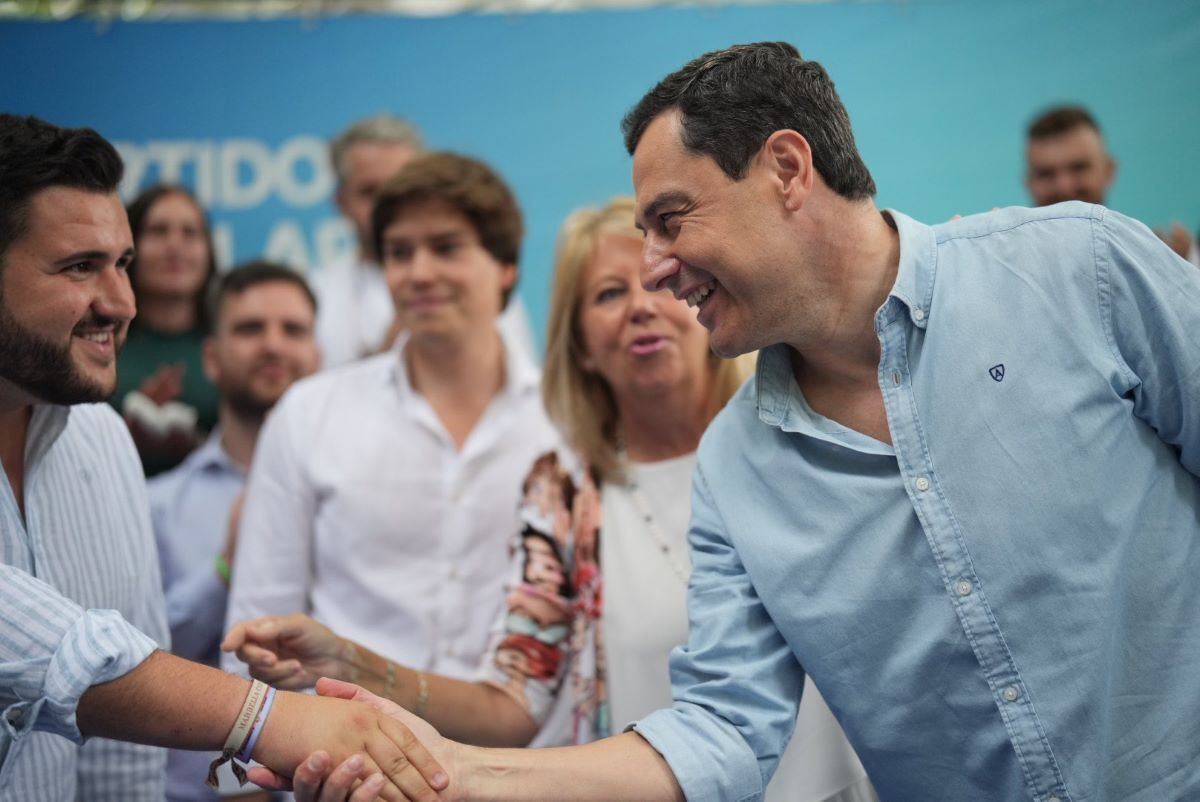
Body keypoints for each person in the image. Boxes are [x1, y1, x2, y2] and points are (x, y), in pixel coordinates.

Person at [273, 41, 1200, 802]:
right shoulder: (737, 467)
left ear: (787, 169)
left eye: (671, 220)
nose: (655, 269)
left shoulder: (1081, 271)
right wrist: (464, 773)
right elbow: (724, 729)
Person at [225, 198, 876, 801]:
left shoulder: (811, 440)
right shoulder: (564, 495)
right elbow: (514, 703)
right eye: (609, 294)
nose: (641, 306)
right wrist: (351, 662)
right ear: (581, 345)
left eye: (665, 283)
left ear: (709, 299)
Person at [0, 113, 452, 801]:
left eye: (122, 265)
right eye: (79, 267)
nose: (121, 304)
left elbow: (120, 752)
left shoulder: (100, 439)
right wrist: (275, 720)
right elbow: (48, 649)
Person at [221, 153, 560, 698]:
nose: (419, 273)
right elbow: (259, 624)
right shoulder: (310, 413)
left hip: (529, 769)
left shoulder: (566, 418)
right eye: (399, 253)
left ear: (506, 266)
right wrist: (251, 782)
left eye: (446, 248)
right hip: (346, 766)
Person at [149, 260, 321, 801]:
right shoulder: (158, 505)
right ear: (212, 357)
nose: (273, 345)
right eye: (250, 329)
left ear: (318, 354)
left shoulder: (363, 500)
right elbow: (129, 664)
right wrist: (225, 565)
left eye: (293, 330)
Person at [112, 183, 220, 476]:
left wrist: (201, 446)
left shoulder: (232, 342)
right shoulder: (99, 339)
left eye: (190, 233)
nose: (175, 246)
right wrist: (123, 434)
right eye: (158, 231)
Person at [1025, 104, 1197, 264]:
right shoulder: (1004, 271)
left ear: (1109, 171)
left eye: (1079, 168)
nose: (1064, 187)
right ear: (1028, 183)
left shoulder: (1162, 264)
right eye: (1046, 174)